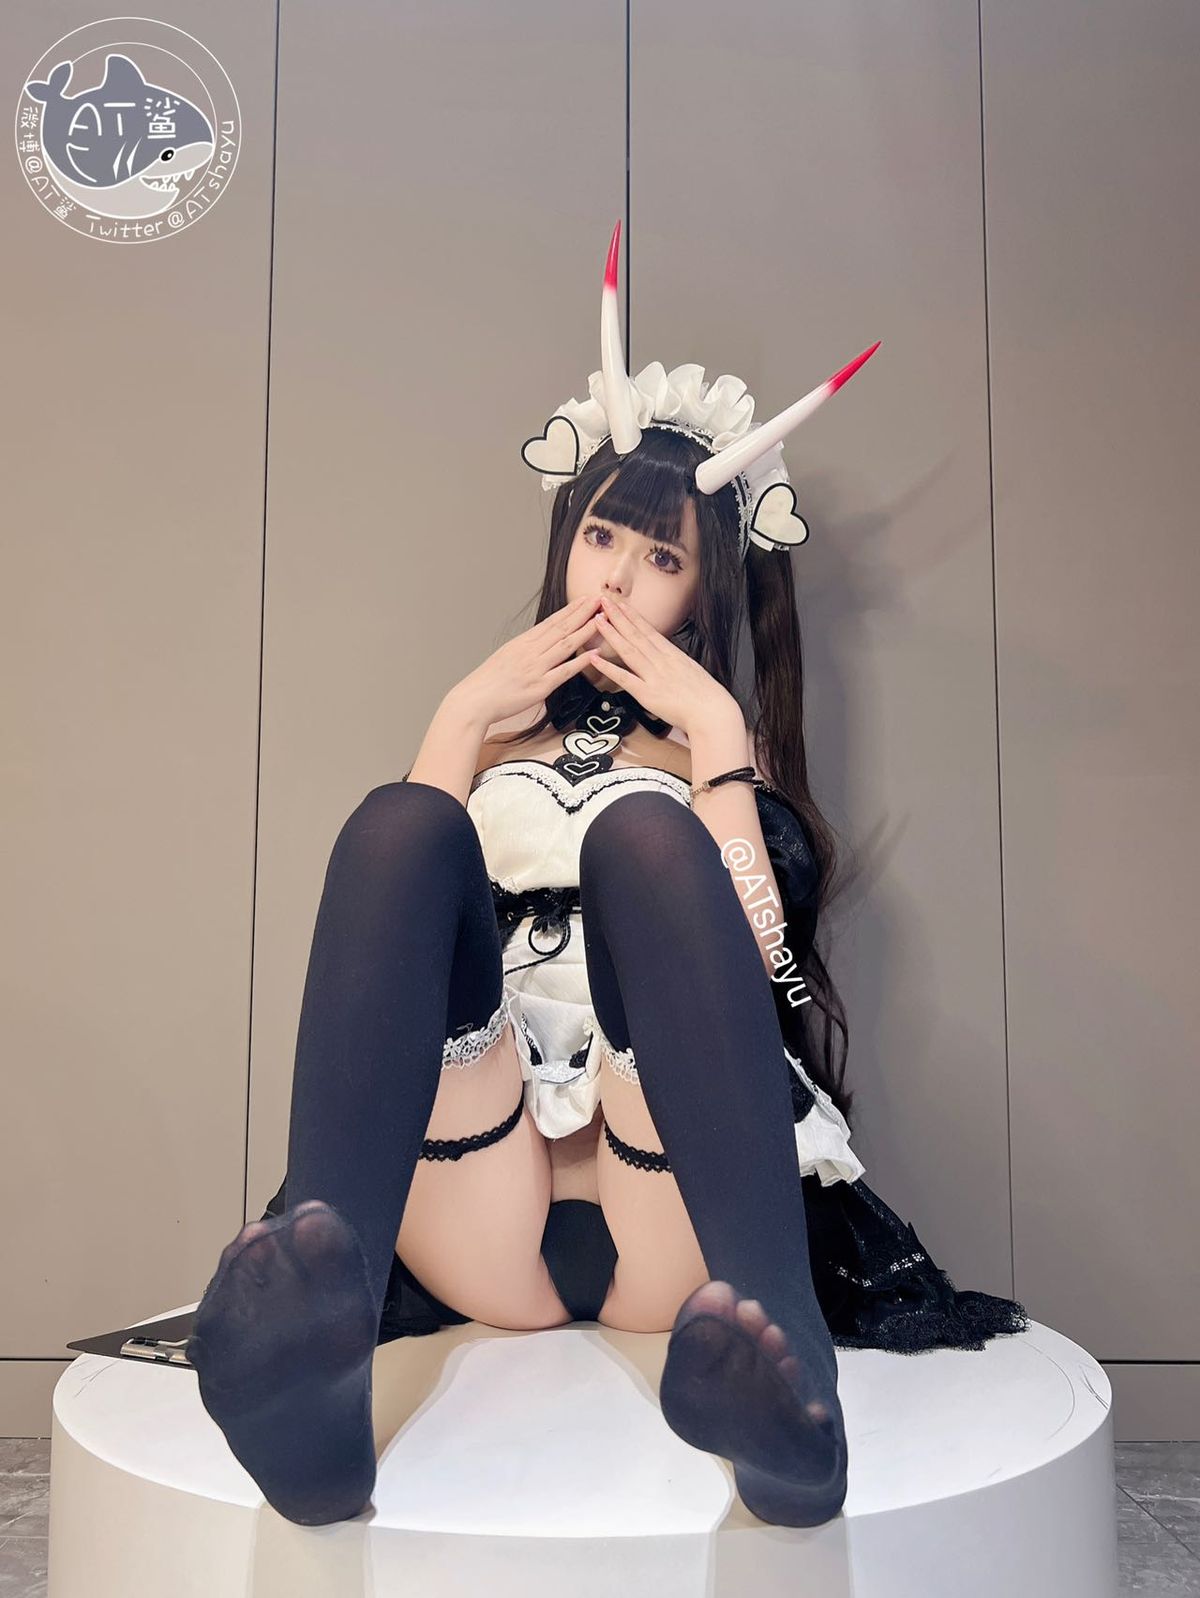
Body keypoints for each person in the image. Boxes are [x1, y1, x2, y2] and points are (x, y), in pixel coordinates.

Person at [185, 222, 1028, 1533]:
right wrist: (461, 718)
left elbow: (773, 974)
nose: (617, 581)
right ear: (564, 541)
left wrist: (721, 747)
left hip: (667, 1206)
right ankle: (317, 1403)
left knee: (645, 840)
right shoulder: (493, 740)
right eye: (600, 539)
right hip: (480, 1196)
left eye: (663, 558)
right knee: (400, 825)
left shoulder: (717, 763)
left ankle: (790, 1403)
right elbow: (394, 961)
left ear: (708, 595)